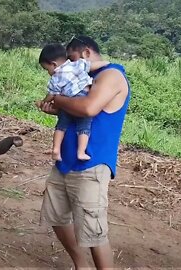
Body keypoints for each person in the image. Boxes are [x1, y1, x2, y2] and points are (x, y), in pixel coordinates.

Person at [37, 36, 131, 270]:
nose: (67, 64)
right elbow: (72, 113)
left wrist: (57, 98)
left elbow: (88, 108)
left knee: (93, 230)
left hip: (91, 164)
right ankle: (82, 265)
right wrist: (55, 109)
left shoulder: (111, 76)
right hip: (64, 162)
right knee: (56, 217)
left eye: (71, 58)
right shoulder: (81, 77)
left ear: (86, 53)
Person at [37, 43, 110, 162]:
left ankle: (56, 149)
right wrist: (107, 63)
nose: (48, 72)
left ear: (54, 64)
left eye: (47, 69)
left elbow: (51, 95)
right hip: (82, 99)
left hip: (66, 103)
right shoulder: (77, 64)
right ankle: (81, 152)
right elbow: (92, 65)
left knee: (61, 126)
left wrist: (43, 102)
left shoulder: (54, 79)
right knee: (84, 127)